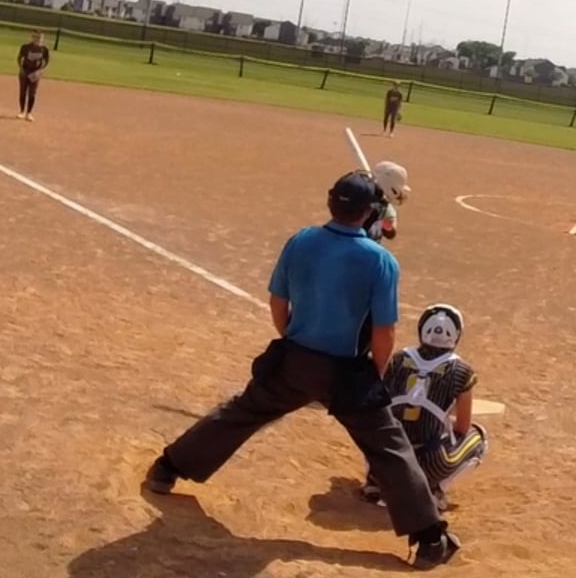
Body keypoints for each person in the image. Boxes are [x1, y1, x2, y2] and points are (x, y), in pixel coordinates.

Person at [143, 172, 461, 568]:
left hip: (293, 360)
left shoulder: (302, 240)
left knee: (241, 412)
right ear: (370, 212)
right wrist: (374, 378)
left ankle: (167, 468)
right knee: (387, 445)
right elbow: (384, 331)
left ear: (331, 202)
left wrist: (292, 340)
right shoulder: (380, 260)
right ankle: (429, 538)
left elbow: (278, 302)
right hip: (347, 372)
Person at [362, 304, 488, 512]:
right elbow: (462, 427)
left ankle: (375, 480)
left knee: (376, 423)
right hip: (428, 463)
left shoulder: (398, 359)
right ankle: (433, 489)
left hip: (387, 455)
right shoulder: (461, 371)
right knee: (478, 436)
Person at [370, 160, 411, 242]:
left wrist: (385, 222)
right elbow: (390, 234)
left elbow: (390, 233)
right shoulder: (387, 209)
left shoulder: (387, 209)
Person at [16, 30, 49, 121]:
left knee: (32, 93)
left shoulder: (44, 49)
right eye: (36, 37)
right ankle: (22, 111)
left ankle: (29, 113)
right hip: (25, 71)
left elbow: (46, 62)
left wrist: (40, 71)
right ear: (32, 37)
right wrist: (21, 69)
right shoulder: (25, 47)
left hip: (35, 73)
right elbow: (19, 58)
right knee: (23, 91)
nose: (38, 39)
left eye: (40, 37)